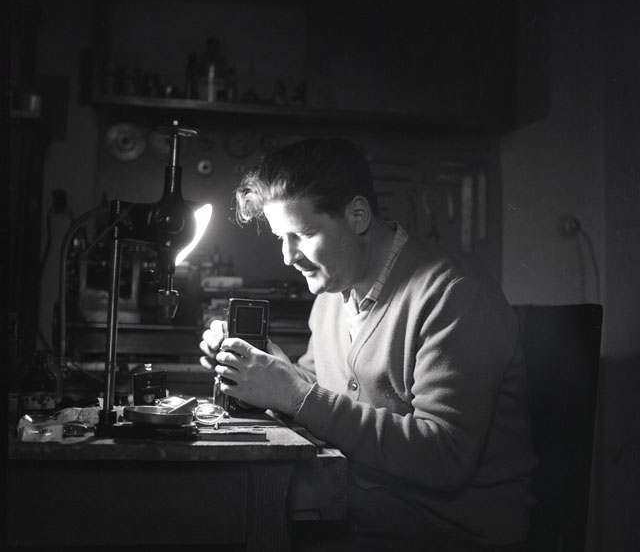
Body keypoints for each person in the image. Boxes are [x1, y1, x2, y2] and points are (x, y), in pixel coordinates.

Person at [199, 138, 537, 552]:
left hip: (448, 532)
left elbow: (445, 457)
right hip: (364, 511)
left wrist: (293, 394)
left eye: (303, 234)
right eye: (279, 238)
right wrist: (264, 368)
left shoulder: (453, 293)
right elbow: (325, 395)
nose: (288, 257)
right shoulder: (331, 293)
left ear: (357, 216)